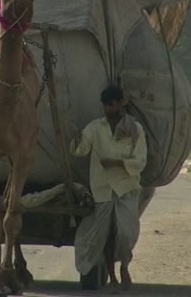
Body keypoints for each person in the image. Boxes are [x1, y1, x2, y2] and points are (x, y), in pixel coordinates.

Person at [70, 85, 147, 290]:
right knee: (102, 235)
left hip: (126, 187)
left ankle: (124, 266)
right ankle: (112, 275)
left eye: (111, 105)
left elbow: (140, 160)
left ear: (121, 103)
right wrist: (77, 140)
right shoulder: (96, 127)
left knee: (125, 233)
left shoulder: (135, 129)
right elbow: (81, 149)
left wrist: (117, 163)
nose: (108, 109)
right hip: (102, 188)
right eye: (105, 106)